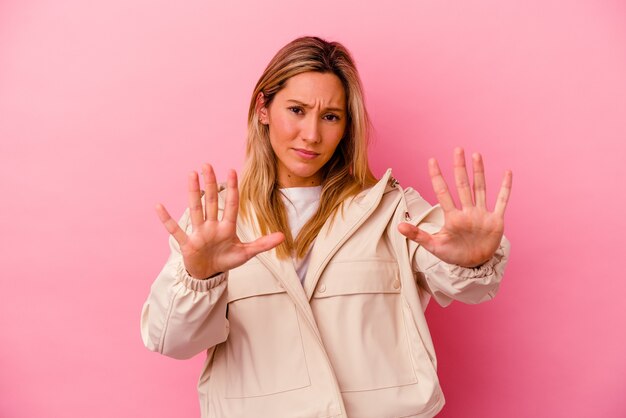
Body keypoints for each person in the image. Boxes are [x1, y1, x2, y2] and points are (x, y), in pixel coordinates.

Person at [140, 36, 512, 418]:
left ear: (346, 126)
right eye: (297, 110)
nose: (312, 134)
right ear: (263, 109)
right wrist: (200, 276)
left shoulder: (390, 209)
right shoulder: (215, 222)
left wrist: (473, 263)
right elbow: (171, 340)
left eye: (330, 116)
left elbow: (469, 285)